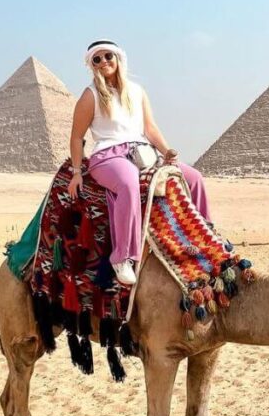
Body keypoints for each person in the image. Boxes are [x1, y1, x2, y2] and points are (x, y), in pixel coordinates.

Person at [68, 39, 211, 286]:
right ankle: (122, 257)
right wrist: (77, 172)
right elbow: (76, 136)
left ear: (119, 58)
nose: (104, 62)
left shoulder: (137, 91)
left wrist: (167, 152)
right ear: (92, 65)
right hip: (108, 156)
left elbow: (149, 128)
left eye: (108, 56)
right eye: (97, 59)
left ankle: (204, 236)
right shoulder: (91, 95)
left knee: (193, 177)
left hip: (143, 153)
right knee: (128, 183)